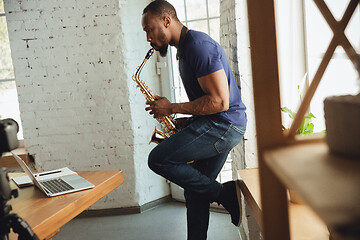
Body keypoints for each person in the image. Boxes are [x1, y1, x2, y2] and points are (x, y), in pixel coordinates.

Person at [142, 1, 247, 239]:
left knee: (157, 159)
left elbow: (221, 102)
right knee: (195, 191)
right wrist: (187, 122)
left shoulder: (198, 46)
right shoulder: (184, 50)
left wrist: (171, 107)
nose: (148, 37)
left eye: (149, 29)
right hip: (219, 124)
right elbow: (209, 100)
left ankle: (224, 194)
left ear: (166, 21)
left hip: (224, 125)